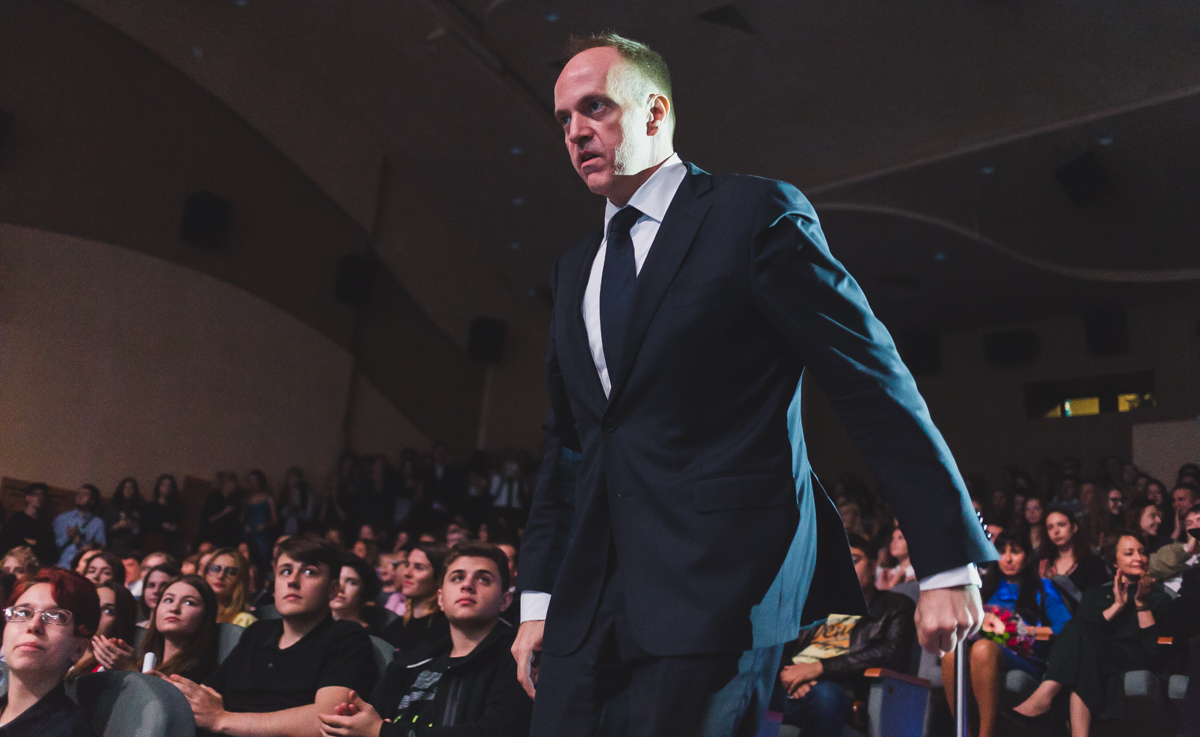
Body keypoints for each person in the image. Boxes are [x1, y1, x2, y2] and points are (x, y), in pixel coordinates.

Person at [515, 33, 995, 737]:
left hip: (719, 584)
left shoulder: (752, 213)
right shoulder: (572, 268)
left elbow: (870, 380)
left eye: (595, 107)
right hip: (587, 604)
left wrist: (946, 559)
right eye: (563, 118)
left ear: (655, 112)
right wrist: (537, 599)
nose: (575, 131)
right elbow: (569, 445)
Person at [166, 533, 378, 736]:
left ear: (333, 589)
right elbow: (207, 694)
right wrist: (165, 688)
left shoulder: (347, 637)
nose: (292, 581)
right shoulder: (257, 633)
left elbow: (327, 718)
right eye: (285, 571)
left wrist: (222, 719)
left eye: (309, 572)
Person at [316, 541, 532, 737]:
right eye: (457, 577)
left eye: (483, 579)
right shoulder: (410, 663)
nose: (467, 585)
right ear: (441, 598)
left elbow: (497, 732)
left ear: (505, 600)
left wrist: (383, 732)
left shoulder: (518, 657)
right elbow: (372, 724)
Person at [1008, 531, 1172, 736]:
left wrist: (1141, 603)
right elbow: (1079, 632)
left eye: (1142, 552)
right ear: (1115, 562)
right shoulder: (1095, 594)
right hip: (1095, 657)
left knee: (1082, 649)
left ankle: (1044, 696)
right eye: (1129, 553)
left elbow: (1153, 651)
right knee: (1081, 643)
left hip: (1133, 657)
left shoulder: (1159, 596)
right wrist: (1116, 606)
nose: (1138, 558)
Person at [772, 534, 916, 737]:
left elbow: (892, 653)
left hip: (837, 690)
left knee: (826, 696)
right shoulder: (816, 606)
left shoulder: (895, 606)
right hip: (791, 686)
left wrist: (819, 668)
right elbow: (777, 645)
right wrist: (788, 676)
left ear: (873, 565)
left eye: (854, 560)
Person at [942, 530, 1071, 737]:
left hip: (1026, 655)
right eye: (1002, 552)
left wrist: (1027, 631)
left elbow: (1067, 627)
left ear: (1027, 557)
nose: (1008, 559)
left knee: (983, 649)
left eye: (1016, 552)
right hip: (985, 648)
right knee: (951, 655)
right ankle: (964, 732)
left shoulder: (1042, 587)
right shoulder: (985, 587)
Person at [0, 568, 100, 736]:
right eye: (23, 612)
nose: (34, 625)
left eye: (56, 616)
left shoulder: (67, 731)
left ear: (79, 649)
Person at [138, 575, 221, 682]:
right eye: (168, 600)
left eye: (189, 602)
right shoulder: (142, 660)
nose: (174, 608)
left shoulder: (205, 675)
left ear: (206, 616)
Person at [380, 544, 450, 653]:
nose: (407, 573)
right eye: (407, 565)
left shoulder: (445, 629)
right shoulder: (395, 627)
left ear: (439, 578)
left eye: (419, 567)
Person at [1038, 507, 1109, 604]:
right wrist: (1045, 582)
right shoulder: (1043, 563)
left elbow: (1101, 600)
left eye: (1061, 525)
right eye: (1050, 528)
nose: (1056, 531)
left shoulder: (1092, 562)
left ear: (1074, 528)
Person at [71, 580, 139, 678]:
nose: (96, 613)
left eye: (108, 611)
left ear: (121, 620)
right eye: (92, 606)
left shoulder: (111, 668)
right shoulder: (65, 648)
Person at [0, 483, 57, 565]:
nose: (38, 498)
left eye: (42, 495)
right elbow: (8, 542)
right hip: (15, 562)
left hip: (36, 565)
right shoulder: (16, 519)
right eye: (35, 495)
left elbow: (49, 548)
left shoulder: (45, 525)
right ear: (28, 497)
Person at [1148, 503, 1200, 590]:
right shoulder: (1177, 550)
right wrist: (1187, 550)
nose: (1195, 527)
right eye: (1189, 523)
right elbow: (1152, 567)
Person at [53, 485, 106, 569]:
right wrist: (67, 537)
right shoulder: (62, 518)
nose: (80, 496)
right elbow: (52, 545)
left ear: (92, 501)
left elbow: (101, 547)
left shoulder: (97, 523)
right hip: (61, 565)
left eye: (85, 494)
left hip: (83, 566)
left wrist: (91, 547)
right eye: (78, 494)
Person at [205, 547, 258, 628]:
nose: (220, 576)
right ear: (205, 574)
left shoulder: (244, 620)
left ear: (240, 579)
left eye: (230, 572)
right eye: (215, 568)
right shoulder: (196, 612)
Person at [330, 554, 381, 632]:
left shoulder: (368, 635)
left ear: (364, 589)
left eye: (352, 582)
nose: (340, 588)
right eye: (336, 579)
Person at [242, 470, 278, 567]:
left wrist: (265, 525)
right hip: (249, 533)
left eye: (255, 480)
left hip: (263, 534)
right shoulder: (247, 499)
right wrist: (245, 525)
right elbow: (243, 518)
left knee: (262, 560)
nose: (253, 483)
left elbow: (275, 520)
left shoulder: (268, 498)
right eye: (250, 481)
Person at [200, 472, 243, 549]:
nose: (231, 488)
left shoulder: (235, 499)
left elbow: (236, 518)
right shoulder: (214, 498)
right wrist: (224, 512)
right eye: (229, 485)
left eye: (233, 486)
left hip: (228, 535)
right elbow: (209, 519)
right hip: (212, 533)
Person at [103, 477, 142, 557]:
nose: (128, 490)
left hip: (133, 549)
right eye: (125, 487)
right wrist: (118, 526)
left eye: (131, 488)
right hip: (114, 549)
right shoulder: (112, 509)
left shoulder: (140, 510)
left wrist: (134, 527)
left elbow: (140, 531)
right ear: (121, 490)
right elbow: (105, 530)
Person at [136, 562, 181, 627]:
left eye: (163, 586)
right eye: (151, 585)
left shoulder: (178, 629)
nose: (156, 591)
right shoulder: (136, 629)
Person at [279, 467, 316, 537]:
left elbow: (309, 516)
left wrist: (297, 509)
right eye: (290, 477)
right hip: (286, 531)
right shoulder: (284, 494)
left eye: (295, 476)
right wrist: (288, 506)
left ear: (300, 478)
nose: (292, 479)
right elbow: (281, 515)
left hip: (302, 530)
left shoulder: (307, 495)